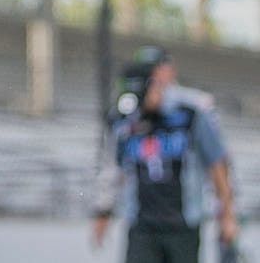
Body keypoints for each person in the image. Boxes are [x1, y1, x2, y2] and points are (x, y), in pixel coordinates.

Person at [92, 46, 239, 263]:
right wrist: (104, 211)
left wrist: (227, 215)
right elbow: (115, 167)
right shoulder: (128, 117)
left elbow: (217, 163)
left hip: (183, 224)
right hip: (142, 225)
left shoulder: (191, 112)